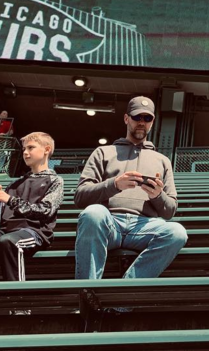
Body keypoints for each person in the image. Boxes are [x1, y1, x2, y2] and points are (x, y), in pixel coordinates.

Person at [74, 96, 187, 280]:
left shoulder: (163, 160)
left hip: (144, 226)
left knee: (177, 232)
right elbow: (80, 197)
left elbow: (170, 211)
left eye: (147, 118)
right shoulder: (104, 152)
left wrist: (157, 195)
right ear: (127, 119)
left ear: (152, 122)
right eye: (137, 117)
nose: (141, 122)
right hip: (109, 221)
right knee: (92, 213)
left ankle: (124, 293)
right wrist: (114, 185)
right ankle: (88, 291)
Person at [0, 132, 63, 281]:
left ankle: (16, 289)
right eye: (24, 149)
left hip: (34, 232)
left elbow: (45, 211)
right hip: (6, 231)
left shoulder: (55, 181)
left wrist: (9, 199)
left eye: (31, 148)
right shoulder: (14, 184)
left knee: (8, 241)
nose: (25, 152)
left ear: (46, 150)